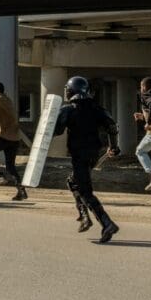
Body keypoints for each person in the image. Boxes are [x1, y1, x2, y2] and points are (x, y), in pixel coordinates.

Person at [53, 76, 121, 244]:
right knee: (73, 181)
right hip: (93, 154)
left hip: (79, 155)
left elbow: (57, 131)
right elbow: (112, 126)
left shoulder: (68, 110)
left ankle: (106, 223)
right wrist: (113, 146)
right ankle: (84, 216)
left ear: (70, 91)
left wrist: (50, 123)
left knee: (84, 191)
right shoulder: (96, 108)